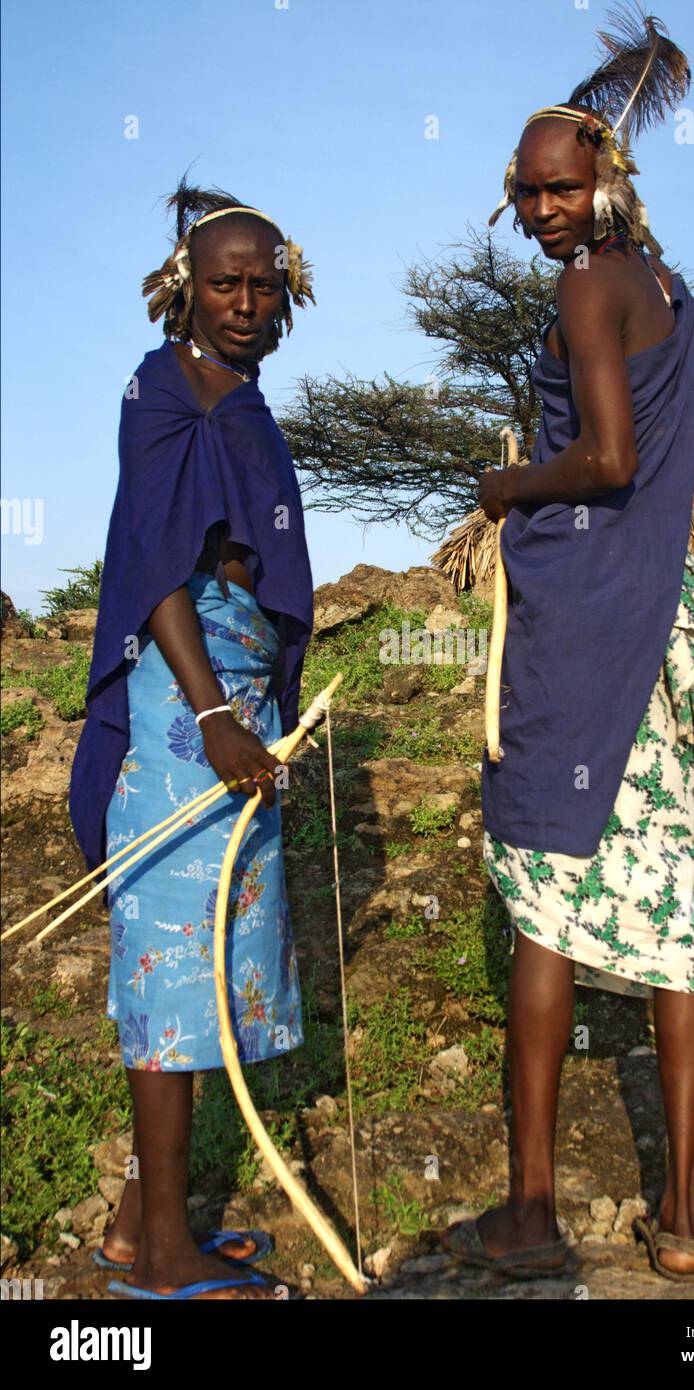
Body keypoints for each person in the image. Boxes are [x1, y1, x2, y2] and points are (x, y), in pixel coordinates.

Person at [442, 11, 694, 1283]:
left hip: (592, 634)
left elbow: (610, 457)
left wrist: (511, 484)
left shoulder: (589, 286)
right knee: (668, 893)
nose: (539, 211)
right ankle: (681, 1218)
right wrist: (660, 503)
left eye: (559, 187)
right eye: (524, 192)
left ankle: (531, 1212)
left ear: (606, 183)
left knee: (539, 894)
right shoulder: (670, 294)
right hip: (670, 619)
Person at [68, 179, 315, 1298]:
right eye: (226, 282)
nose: (247, 301)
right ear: (185, 289)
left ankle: (139, 1223)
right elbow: (155, 561)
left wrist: (254, 707)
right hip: (185, 708)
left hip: (238, 699)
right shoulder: (161, 390)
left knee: (207, 965)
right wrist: (215, 715)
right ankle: (165, 1258)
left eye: (265, 284)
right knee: (173, 975)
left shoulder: (246, 404)